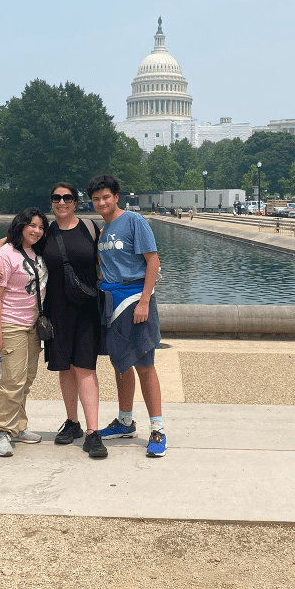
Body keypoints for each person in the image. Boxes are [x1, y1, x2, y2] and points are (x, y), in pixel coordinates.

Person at [0, 184, 108, 459]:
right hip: (55, 314)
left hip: (86, 311)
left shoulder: (90, 228)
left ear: (76, 202)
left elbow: (109, 258)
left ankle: (93, 431)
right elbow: (12, 241)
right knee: (57, 369)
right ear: (52, 202)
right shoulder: (47, 232)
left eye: (67, 197)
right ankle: (67, 423)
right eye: (56, 197)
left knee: (83, 369)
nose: (62, 202)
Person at [87, 174, 167, 458]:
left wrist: (145, 301)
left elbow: (153, 261)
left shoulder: (135, 221)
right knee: (121, 364)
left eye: (106, 197)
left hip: (135, 299)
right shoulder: (103, 230)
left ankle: (157, 428)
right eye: (96, 199)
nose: (101, 203)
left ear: (116, 197)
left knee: (145, 364)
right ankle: (125, 421)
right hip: (111, 301)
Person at [0, 207, 48, 458]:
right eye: (32, 225)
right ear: (21, 225)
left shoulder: (38, 251)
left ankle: (18, 426)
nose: (37, 231)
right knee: (10, 381)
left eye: (41, 227)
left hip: (33, 324)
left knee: (26, 379)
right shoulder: (5, 255)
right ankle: (2, 431)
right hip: (10, 323)